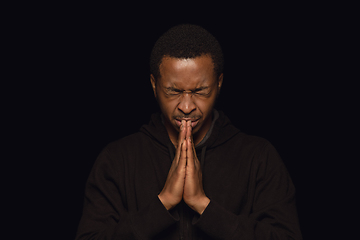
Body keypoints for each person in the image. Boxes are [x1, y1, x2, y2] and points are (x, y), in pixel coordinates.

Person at [75, 24, 302, 240]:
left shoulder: (259, 156)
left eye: (200, 91)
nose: (186, 106)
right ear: (154, 85)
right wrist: (163, 203)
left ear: (219, 83)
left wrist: (202, 205)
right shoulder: (117, 159)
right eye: (173, 91)